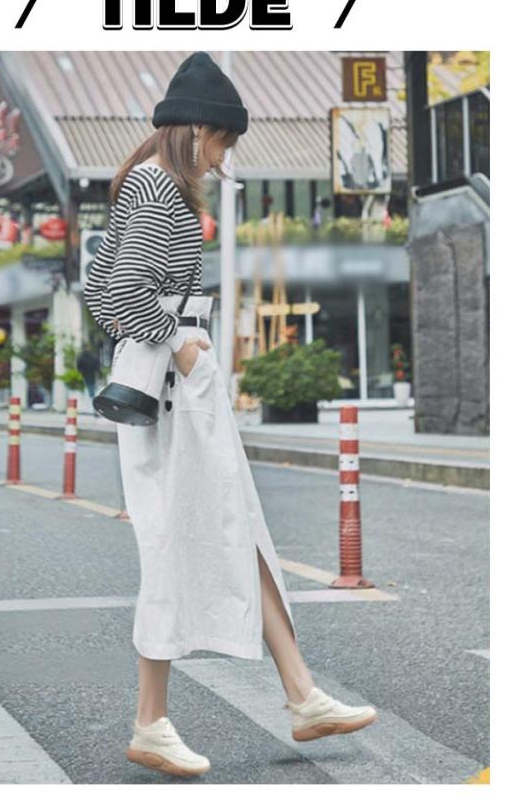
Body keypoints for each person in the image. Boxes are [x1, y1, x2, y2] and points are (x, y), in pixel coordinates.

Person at [84, 52, 378, 778]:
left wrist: (170, 339)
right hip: (175, 393)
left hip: (177, 388)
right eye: (221, 142)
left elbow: (96, 283)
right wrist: (179, 341)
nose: (222, 158)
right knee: (175, 543)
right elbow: (121, 291)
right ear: (196, 131)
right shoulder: (158, 187)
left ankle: (302, 694)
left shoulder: (147, 182)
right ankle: (152, 721)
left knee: (235, 526)